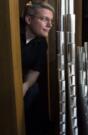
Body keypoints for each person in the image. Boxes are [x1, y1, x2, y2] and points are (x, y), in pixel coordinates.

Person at [20, 1, 54, 135]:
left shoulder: (41, 44)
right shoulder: (12, 30)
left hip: (21, 80)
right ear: (29, 19)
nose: (49, 25)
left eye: (50, 21)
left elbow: (35, 71)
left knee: (34, 91)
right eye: (44, 19)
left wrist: (25, 85)